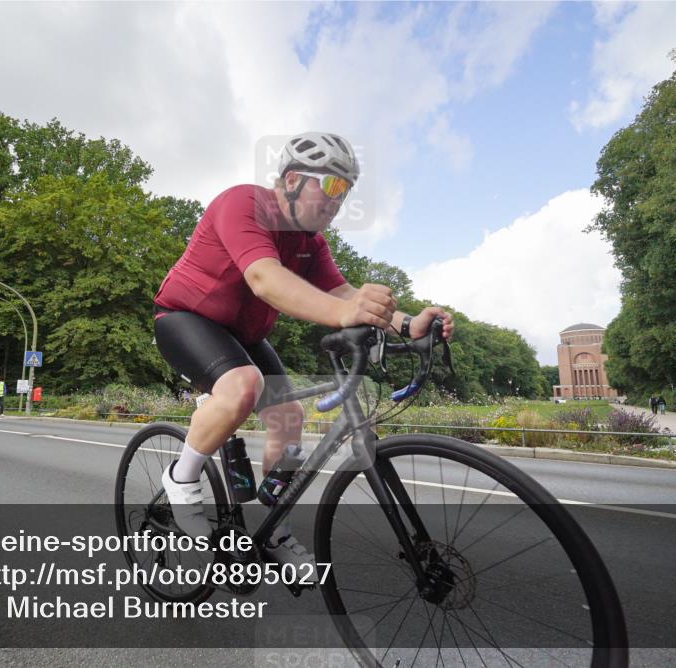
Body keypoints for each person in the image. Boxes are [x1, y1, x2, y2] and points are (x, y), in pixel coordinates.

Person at [152, 132, 454, 571]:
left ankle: (272, 527)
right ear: (292, 180)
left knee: (289, 418)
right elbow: (265, 280)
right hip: (185, 318)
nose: (339, 199)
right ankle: (181, 479)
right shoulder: (243, 204)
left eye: (346, 190)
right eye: (331, 185)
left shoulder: (310, 242)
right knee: (243, 384)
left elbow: (345, 292)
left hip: (244, 335)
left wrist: (408, 324)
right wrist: (347, 310)